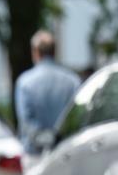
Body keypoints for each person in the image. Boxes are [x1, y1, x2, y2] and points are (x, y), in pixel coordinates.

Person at [14, 30, 81, 158]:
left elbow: (26, 122)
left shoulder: (24, 82)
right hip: (65, 153)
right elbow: (76, 118)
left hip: (34, 154)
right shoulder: (73, 81)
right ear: (54, 52)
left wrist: (44, 140)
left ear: (35, 52)